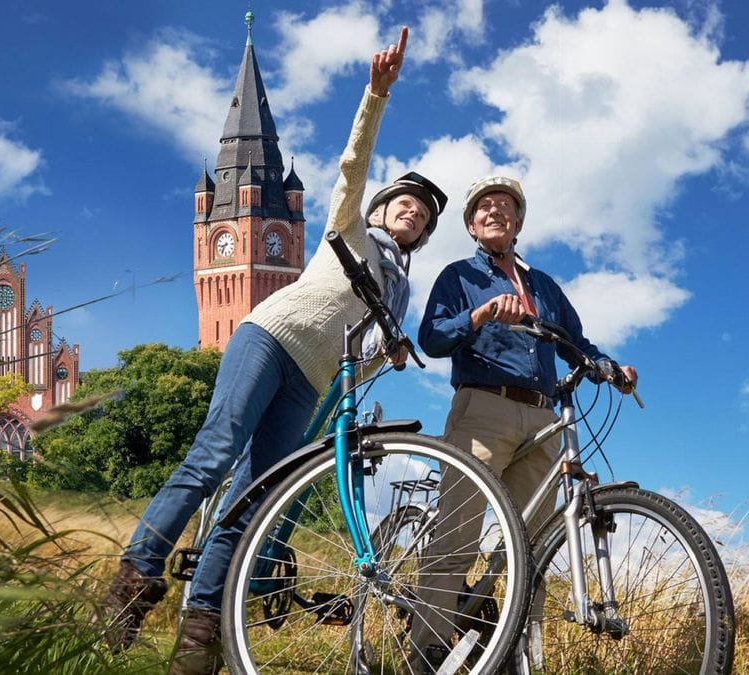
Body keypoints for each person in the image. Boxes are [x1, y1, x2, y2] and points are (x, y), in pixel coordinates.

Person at [98, 27, 448, 675]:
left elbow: (359, 358)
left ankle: (200, 637)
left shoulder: (401, 289)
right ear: (382, 207)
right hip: (270, 336)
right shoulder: (350, 226)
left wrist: (382, 358)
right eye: (406, 202)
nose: (414, 214)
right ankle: (132, 580)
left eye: (424, 216)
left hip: (309, 382)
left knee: (252, 498)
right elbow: (352, 164)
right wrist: (376, 94)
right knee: (214, 455)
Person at [408, 175, 637, 672]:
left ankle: (516, 652)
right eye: (485, 206)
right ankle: (426, 651)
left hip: (544, 415)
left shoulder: (544, 286)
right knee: (457, 533)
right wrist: (480, 315)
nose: (495, 211)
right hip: (483, 407)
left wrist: (611, 368)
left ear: (518, 222)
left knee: (531, 547)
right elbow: (431, 337)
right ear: (471, 224)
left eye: (506, 206)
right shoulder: (459, 276)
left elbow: (579, 343)